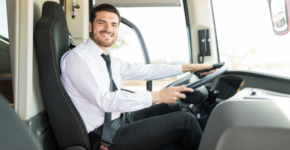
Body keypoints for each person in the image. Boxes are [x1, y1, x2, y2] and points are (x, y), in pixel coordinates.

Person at [60, 3, 213, 150]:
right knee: (186, 121)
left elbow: (146, 71)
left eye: (114, 25)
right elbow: (105, 101)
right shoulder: (78, 58)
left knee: (174, 107)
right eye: (102, 22)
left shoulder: (107, 59)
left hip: (120, 121)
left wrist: (190, 67)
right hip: (104, 136)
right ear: (90, 26)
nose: (108, 28)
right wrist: (157, 95)